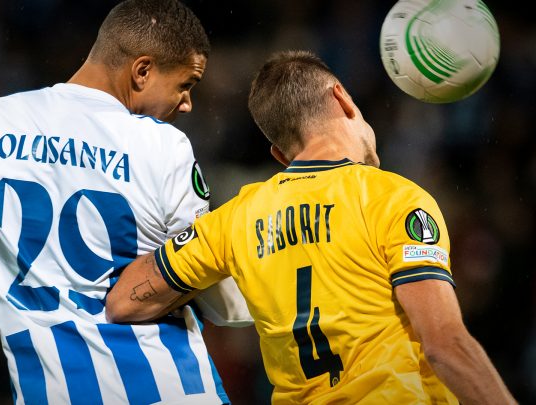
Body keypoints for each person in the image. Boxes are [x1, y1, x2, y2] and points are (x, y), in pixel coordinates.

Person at [106, 50, 518, 404]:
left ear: (280, 155)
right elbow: (444, 345)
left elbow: (124, 300)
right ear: (342, 98)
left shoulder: (236, 218)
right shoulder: (393, 198)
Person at [0, 0, 250, 403]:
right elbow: (211, 292)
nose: (186, 104)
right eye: (186, 85)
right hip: (175, 390)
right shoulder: (163, 145)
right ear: (142, 71)